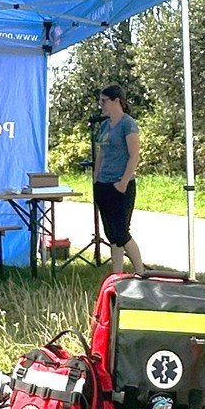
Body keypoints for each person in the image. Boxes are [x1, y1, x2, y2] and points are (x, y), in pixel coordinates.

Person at [93, 84, 144, 274]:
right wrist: (96, 179)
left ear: (116, 101)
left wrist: (123, 182)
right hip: (103, 184)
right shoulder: (105, 125)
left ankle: (141, 273)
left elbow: (134, 155)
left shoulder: (127, 124)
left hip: (121, 185)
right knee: (112, 235)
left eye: (104, 101)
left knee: (122, 232)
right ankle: (117, 275)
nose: (101, 105)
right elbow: (101, 154)